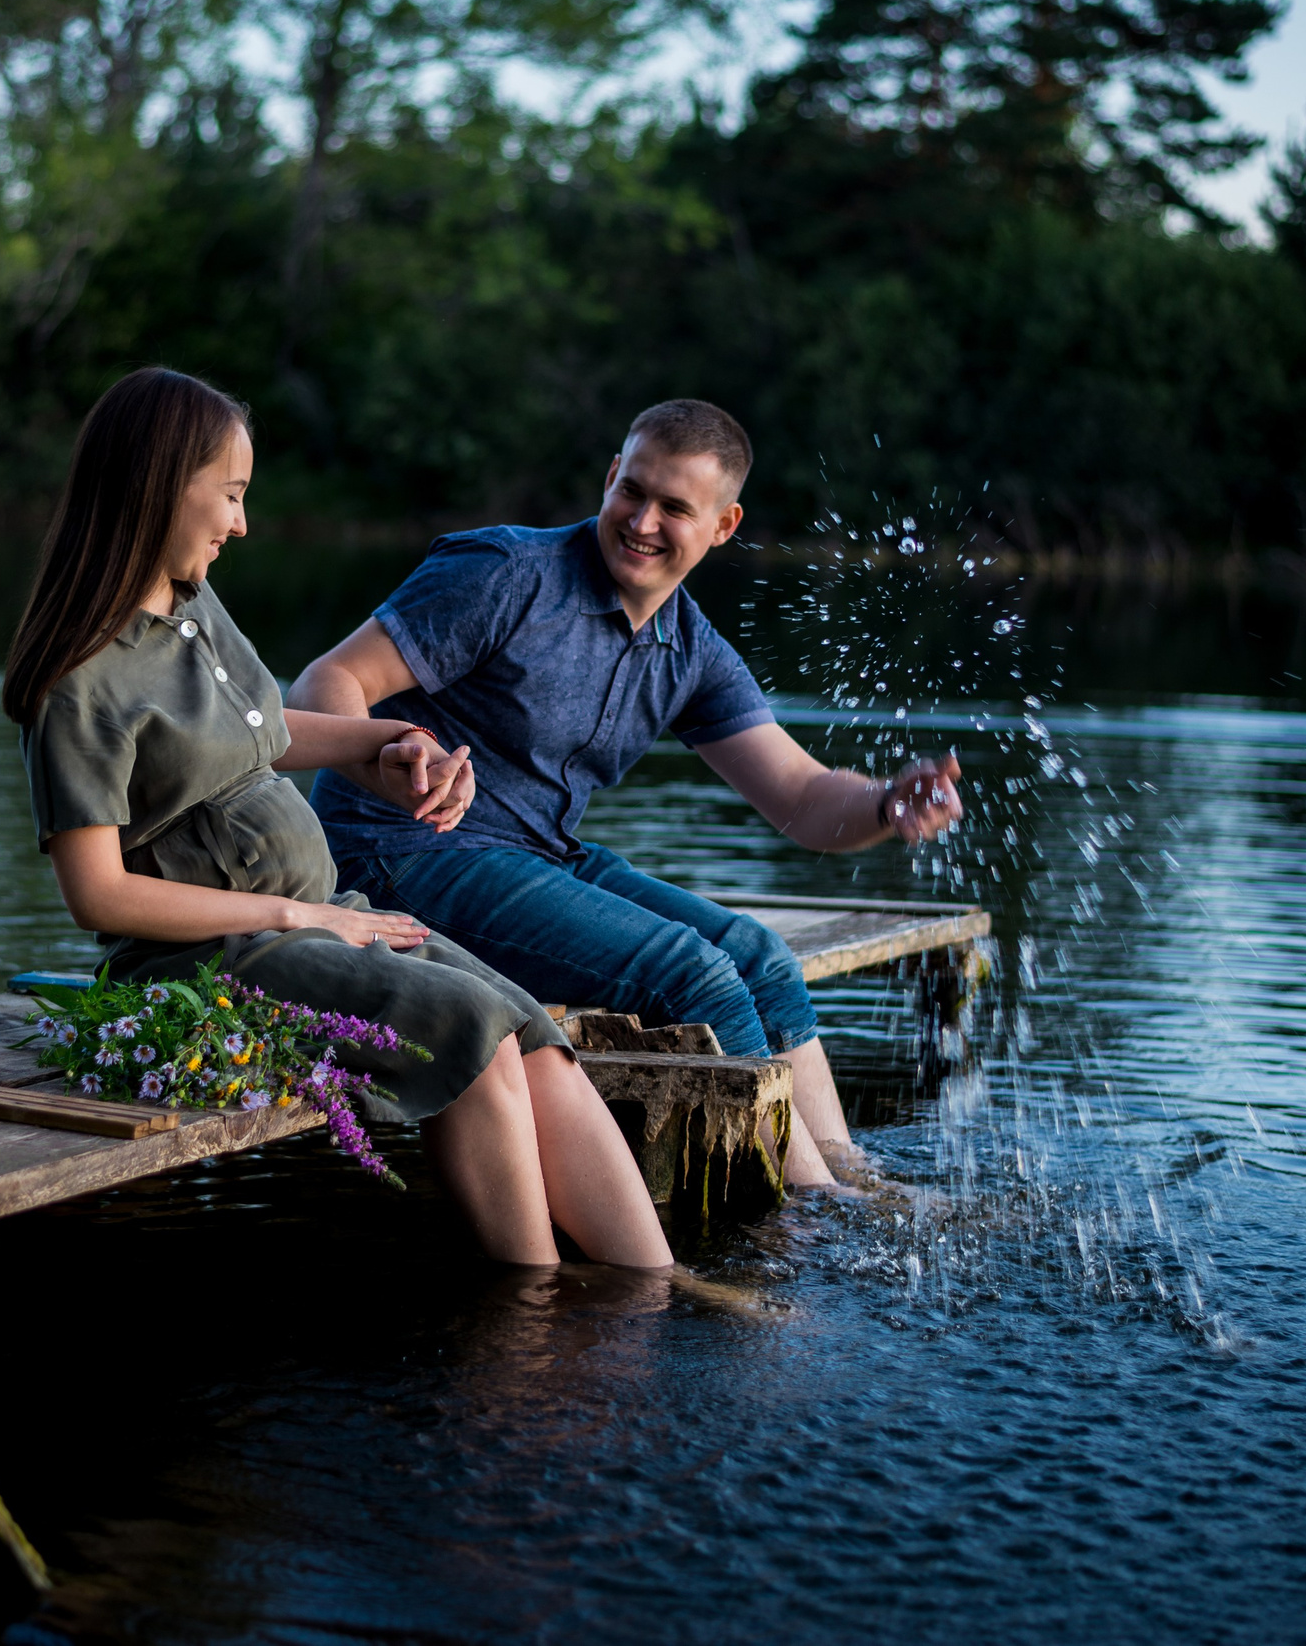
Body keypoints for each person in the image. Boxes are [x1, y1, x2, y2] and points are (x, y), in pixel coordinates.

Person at [5, 366, 670, 1270]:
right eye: (230, 494)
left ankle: (654, 1288)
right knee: (468, 1034)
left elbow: (266, 734)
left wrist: (387, 739)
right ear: (160, 488)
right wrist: (298, 914)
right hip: (216, 957)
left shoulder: (194, 605)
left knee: (527, 1029)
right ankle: (534, 1323)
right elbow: (99, 896)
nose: (242, 522)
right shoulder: (81, 680)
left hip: (327, 921)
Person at [292, 399, 961, 1190]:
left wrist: (888, 802)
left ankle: (854, 1179)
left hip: (535, 853)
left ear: (723, 524)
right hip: (398, 852)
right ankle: (815, 1213)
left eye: (675, 507)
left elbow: (802, 798)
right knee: (695, 976)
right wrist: (391, 764)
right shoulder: (507, 574)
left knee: (761, 960)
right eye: (632, 490)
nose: (642, 520)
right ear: (610, 476)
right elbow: (328, 680)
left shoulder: (690, 648)